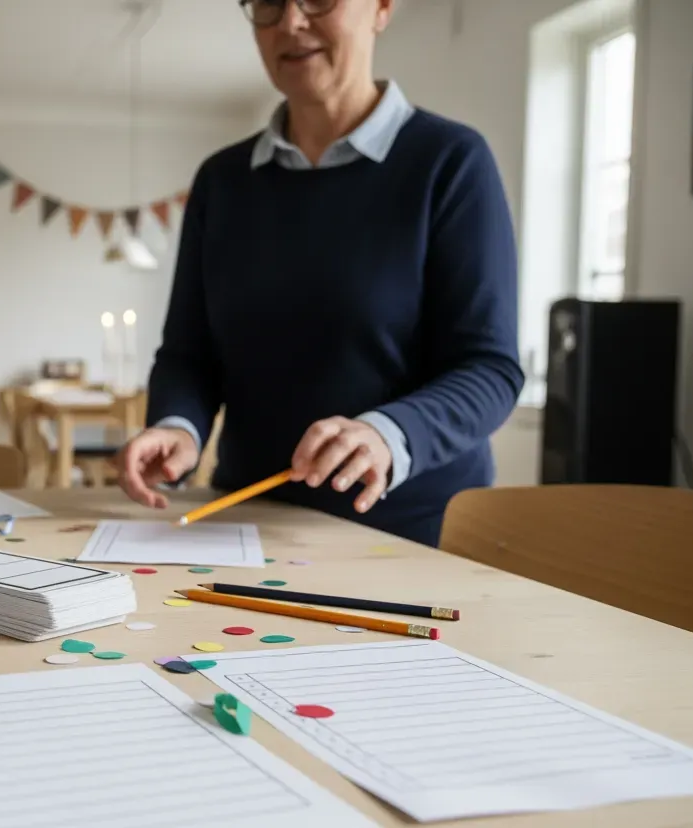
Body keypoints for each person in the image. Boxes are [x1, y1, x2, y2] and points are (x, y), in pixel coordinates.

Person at [118, 0, 524, 547]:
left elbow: (490, 371)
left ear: (381, 8)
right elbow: (189, 355)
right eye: (267, 3)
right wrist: (177, 426)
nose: (290, 21)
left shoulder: (451, 163)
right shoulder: (222, 183)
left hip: (417, 537)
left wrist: (389, 433)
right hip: (243, 528)